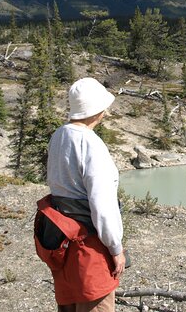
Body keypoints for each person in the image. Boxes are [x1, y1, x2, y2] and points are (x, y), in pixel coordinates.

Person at [43, 77, 126, 311]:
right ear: (95, 111)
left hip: (64, 241)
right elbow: (102, 204)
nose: (106, 113)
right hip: (89, 245)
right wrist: (116, 249)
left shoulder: (59, 135)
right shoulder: (91, 144)